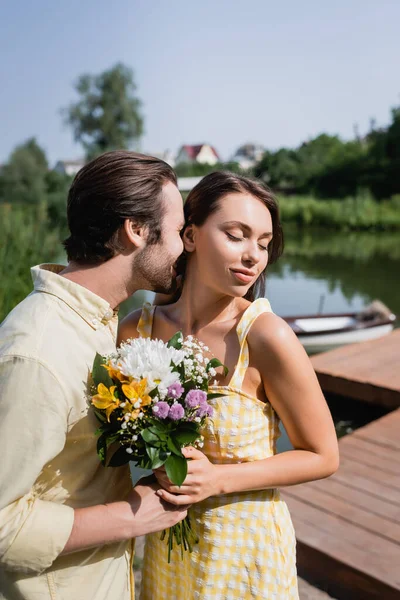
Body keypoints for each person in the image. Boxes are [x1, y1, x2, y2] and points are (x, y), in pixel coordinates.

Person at [119, 171, 339, 600]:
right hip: (167, 545)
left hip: (246, 552)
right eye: (236, 235)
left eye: (263, 242)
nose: (253, 255)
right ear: (191, 236)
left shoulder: (264, 334)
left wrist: (217, 479)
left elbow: (323, 455)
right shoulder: (136, 331)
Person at [0, 151, 188, 600]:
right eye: (179, 232)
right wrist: (132, 517)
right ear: (136, 230)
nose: (185, 247)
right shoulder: (38, 353)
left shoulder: (100, 322)